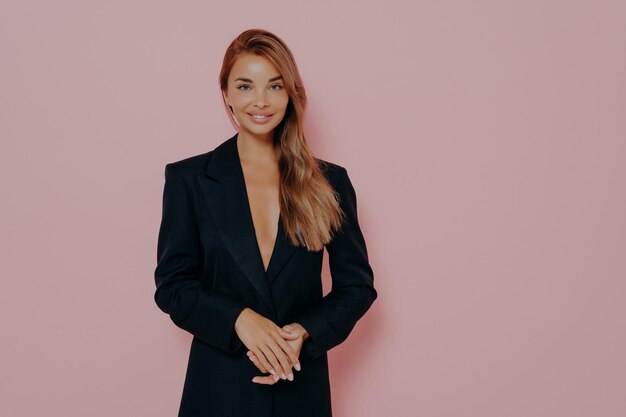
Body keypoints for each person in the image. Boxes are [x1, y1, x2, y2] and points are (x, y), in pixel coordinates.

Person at [154, 28, 378, 417]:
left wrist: (302, 333)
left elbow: (357, 287)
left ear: (291, 94)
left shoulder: (330, 182)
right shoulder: (188, 179)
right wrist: (239, 320)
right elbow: (173, 286)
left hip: (300, 386)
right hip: (218, 390)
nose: (260, 101)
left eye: (275, 86)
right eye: (245, 86)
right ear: (225, 93)